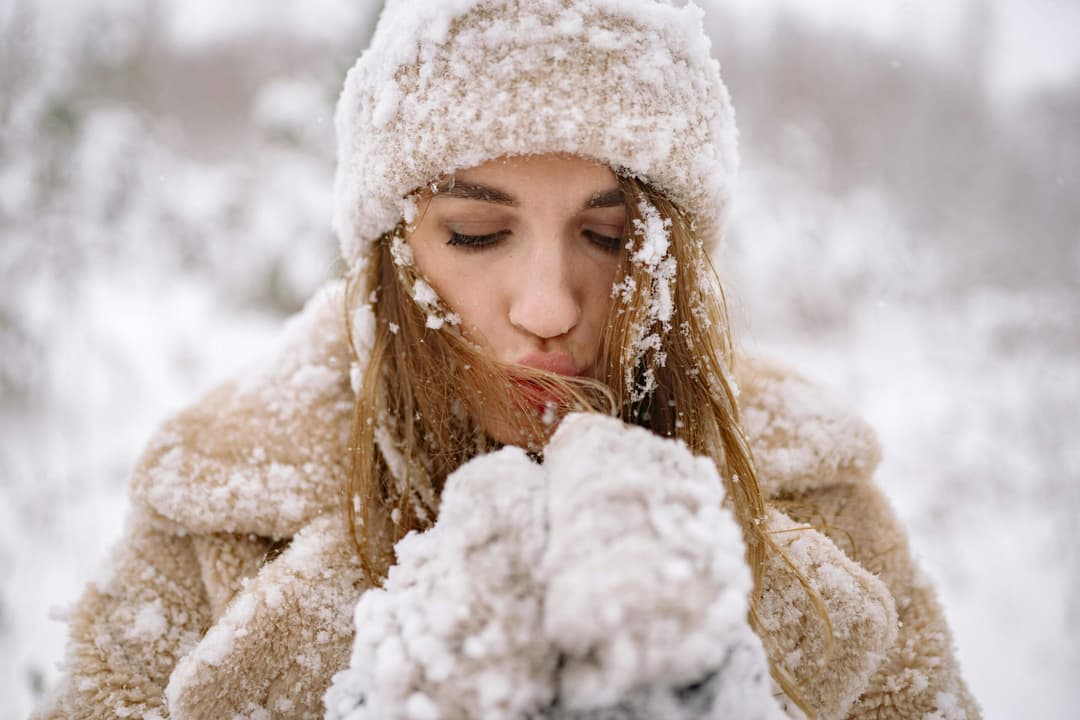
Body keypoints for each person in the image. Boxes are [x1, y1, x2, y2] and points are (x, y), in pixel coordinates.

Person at [35, 1, 981, 719]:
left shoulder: (811, 497)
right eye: (479, 232)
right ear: (390, 258)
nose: (547, 307)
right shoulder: (219, 505)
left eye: (608, 237)